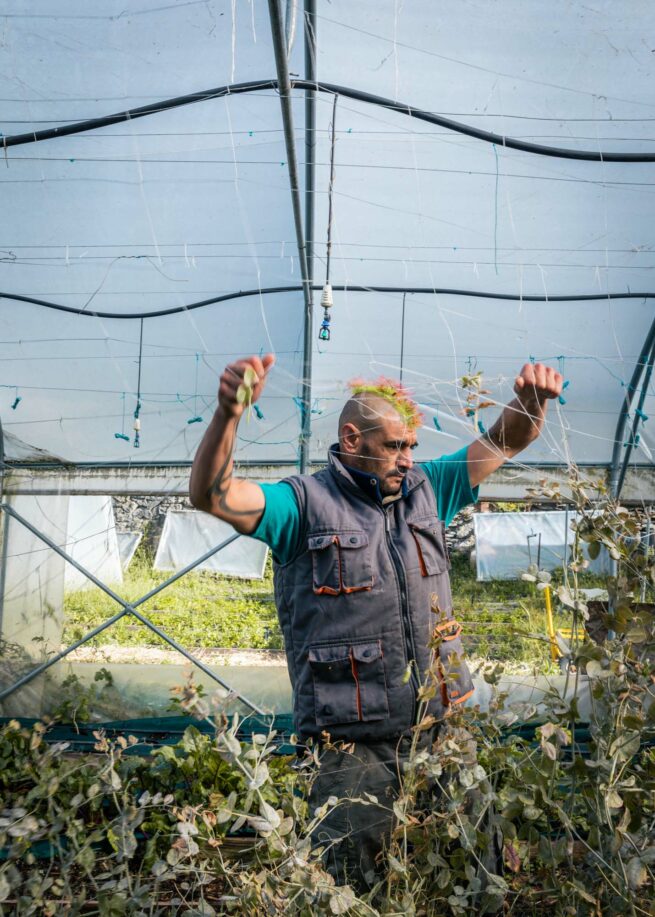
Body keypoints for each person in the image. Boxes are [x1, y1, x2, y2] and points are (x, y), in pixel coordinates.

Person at [189, 355, 563, 888]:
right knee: (353, 887)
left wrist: (530, 404)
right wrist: (228, 415)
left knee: (477, 869)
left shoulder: (431, 489)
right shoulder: (302, 505)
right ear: (351, 438)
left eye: (411, 445)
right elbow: (213, 494)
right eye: (394, 446)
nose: (408, 459)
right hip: (352, 749)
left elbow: (504, 440)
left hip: (444, 732)